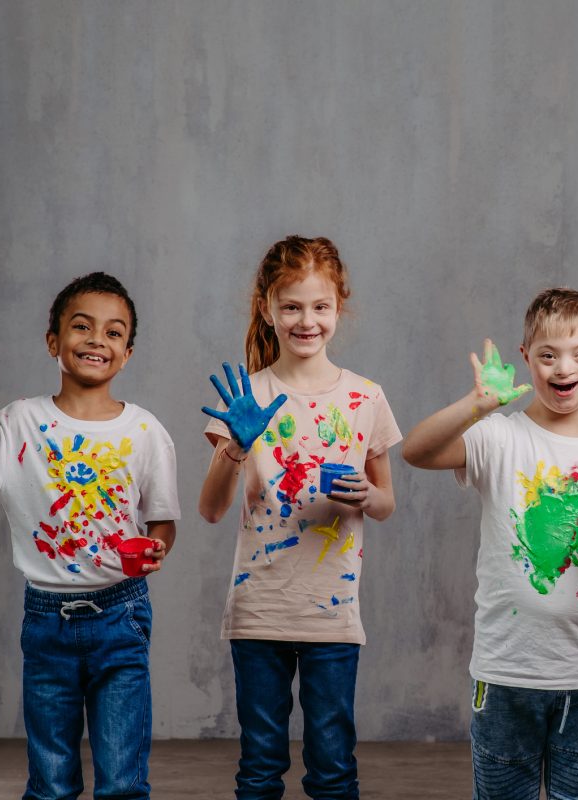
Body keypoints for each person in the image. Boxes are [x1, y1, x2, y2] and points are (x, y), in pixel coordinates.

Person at [0, 272, 180, 800]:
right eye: (81, 327)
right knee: (50, 783)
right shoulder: (19, 422)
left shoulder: (145, 431)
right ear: (53, 341)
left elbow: (161, 522)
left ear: (127, 353)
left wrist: (156, 547)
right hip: (46, 620)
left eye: (114, 333)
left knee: (123, 782)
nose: (96, 340)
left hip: (122, 615)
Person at [403, 287, 578, 800]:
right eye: (548, 355)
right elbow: (416, 451)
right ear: (527, 358)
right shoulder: (499, 437)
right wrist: (476, 405)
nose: (565, 368)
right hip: (506, 672)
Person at [198, 235, 401, 800]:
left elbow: (387, 504)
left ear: (339, 308)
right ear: (267, 308)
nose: (305, 320)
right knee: (260, 767)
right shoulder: (249, 395)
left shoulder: (366, 398)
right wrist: (235, 446)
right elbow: (211, 510)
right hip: (259, 609)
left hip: (332, 616)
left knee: (333, 767)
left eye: (319, 307)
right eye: (291, 306)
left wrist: (366, 494)